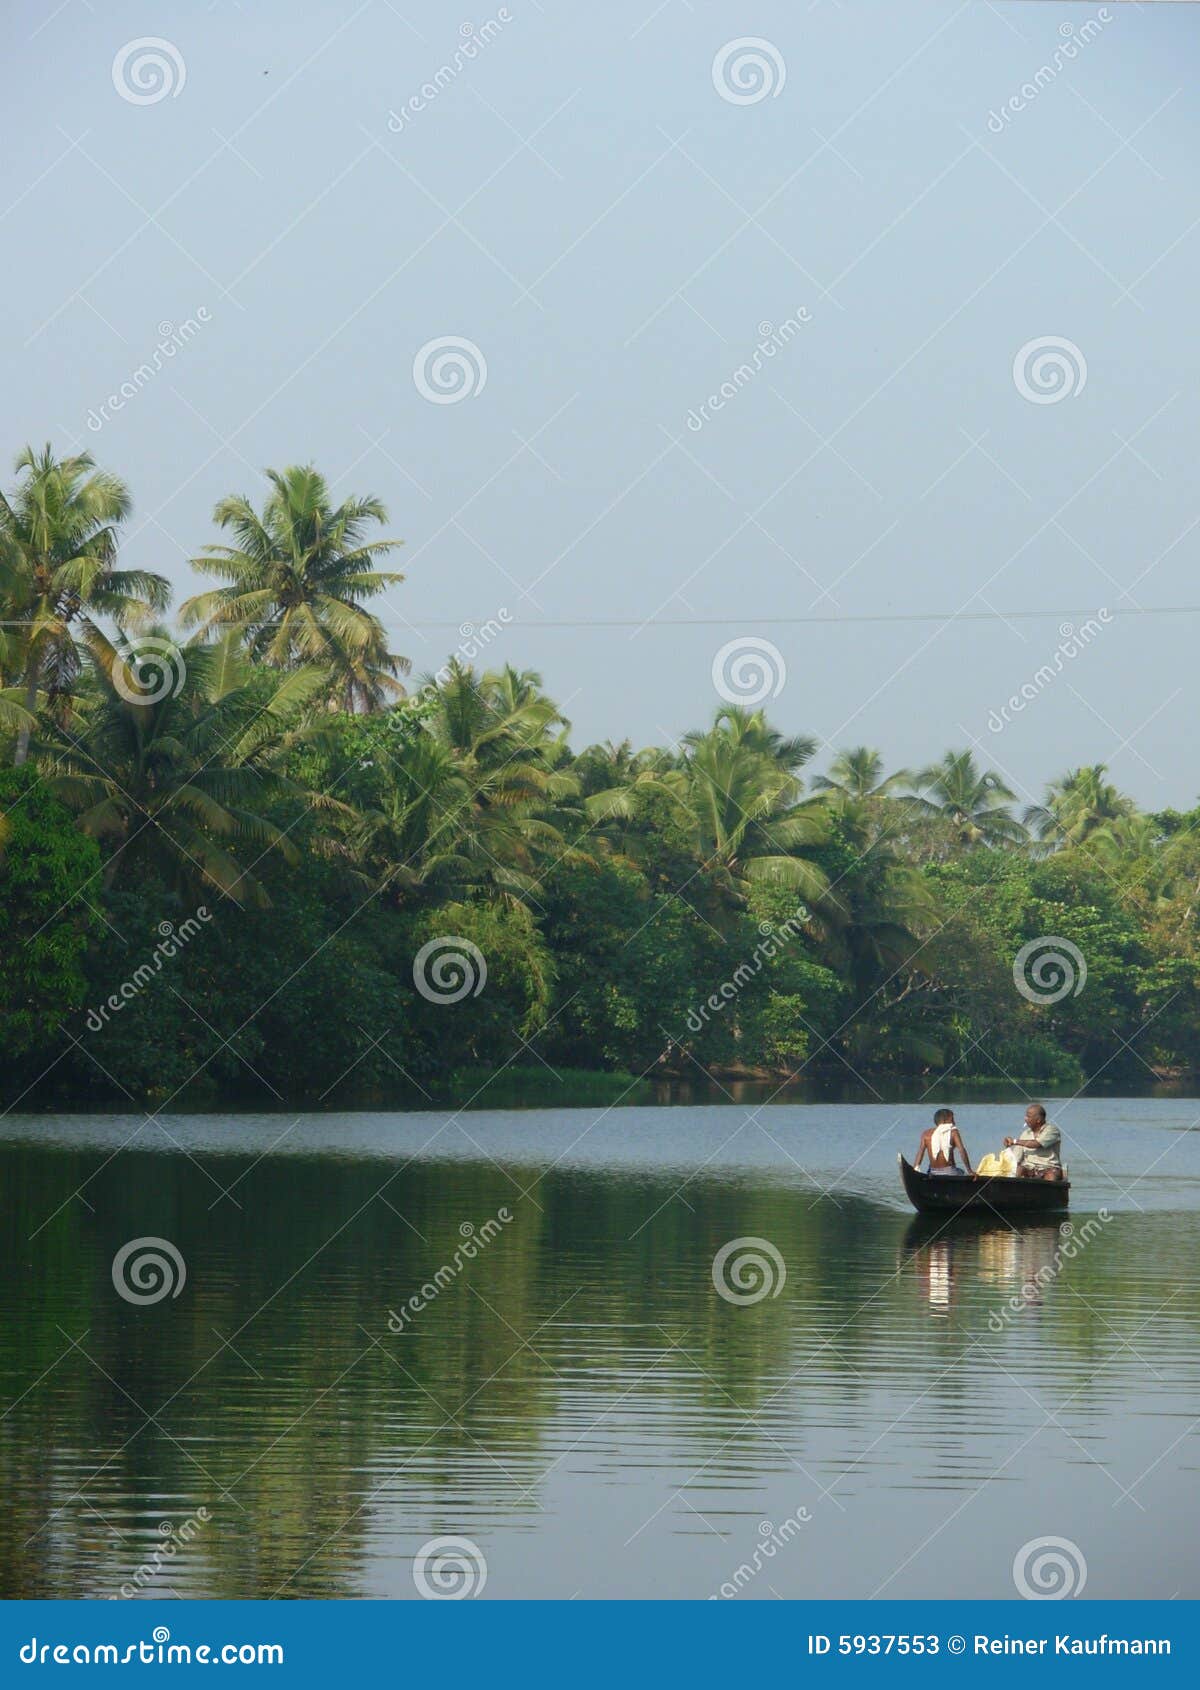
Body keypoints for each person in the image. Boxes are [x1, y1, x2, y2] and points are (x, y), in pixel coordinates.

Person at [1004, 1103, 1063, 1180]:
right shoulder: (1025, 1134)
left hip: (1049, 1167)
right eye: (1026, 1116)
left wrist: (1014, 1141)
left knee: (1051, 1176)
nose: (1025, 1118)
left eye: (1028, 1116)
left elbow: (1036, 1143)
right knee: (1017, 1170)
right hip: (1030, 1168)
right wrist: (1008, 1148)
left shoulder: (1051, 1130)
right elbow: (1016, 1158)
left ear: (1038, 1120)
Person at [915, 1107, 973, 1177]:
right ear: (944, 1121)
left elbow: (920, 1152)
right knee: (962, 1172)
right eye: (952, 1119)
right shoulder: (953, 1132)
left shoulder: (926, 1134)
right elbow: (961, 1150)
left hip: (933, 1172)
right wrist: (970, 1171)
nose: (954, 1122)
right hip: (950, 1172)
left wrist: (915, 1170)